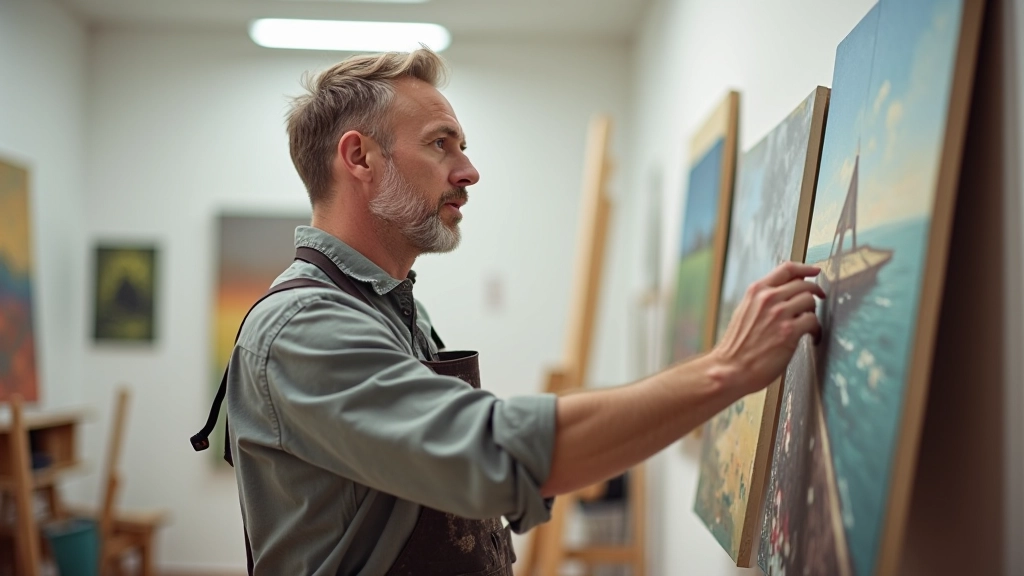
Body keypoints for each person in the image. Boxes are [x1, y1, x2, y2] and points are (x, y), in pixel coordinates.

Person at [192, 48, 824, 576]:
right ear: (359, 158)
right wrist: (726, 371)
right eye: (441, 145)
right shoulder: (303, 329)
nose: (468, 171)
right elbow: (491, 458)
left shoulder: (394, 307)